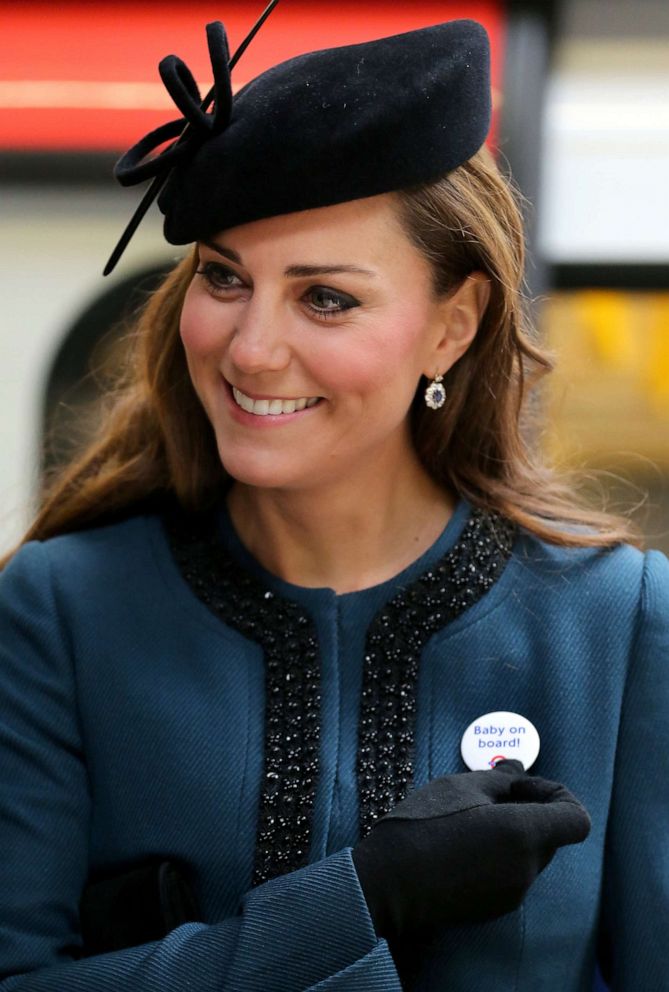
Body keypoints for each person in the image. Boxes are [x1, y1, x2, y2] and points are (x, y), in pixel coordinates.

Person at [0, 13, 666, 992]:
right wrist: (360, 898)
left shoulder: (617, 622)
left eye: (325, 298)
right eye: (225, 277)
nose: (250, 347)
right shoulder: (61, 610)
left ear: (455, 324)